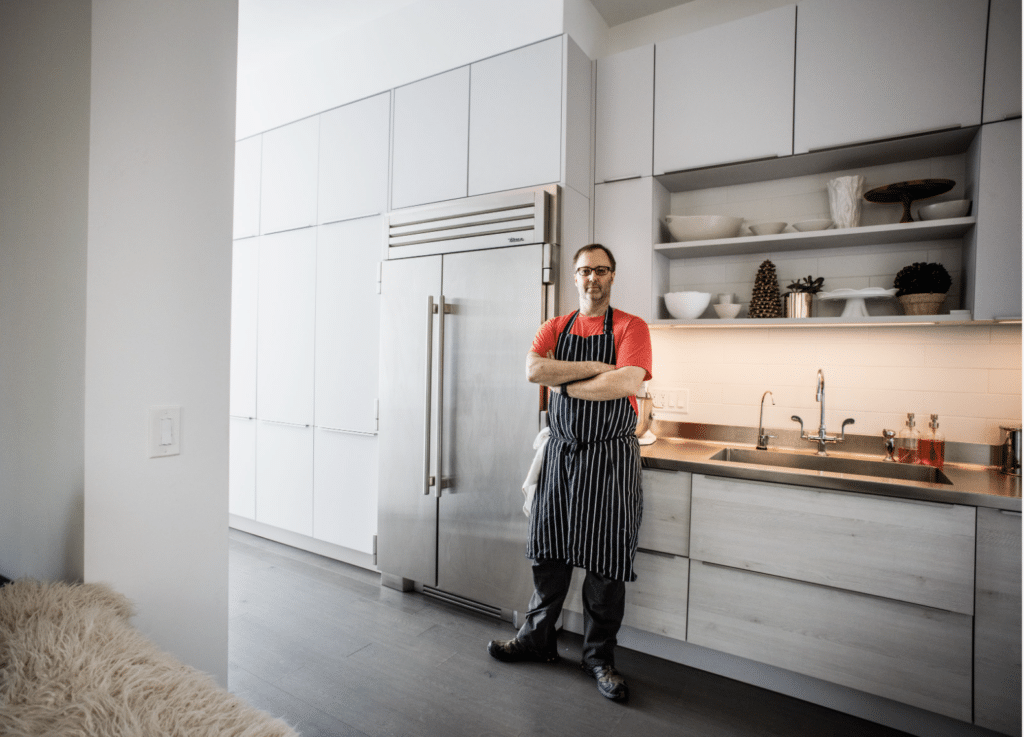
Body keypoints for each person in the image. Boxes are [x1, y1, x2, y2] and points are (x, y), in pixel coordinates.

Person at [487, 243, 652, 702]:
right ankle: (536, 640)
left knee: (606, 563)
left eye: (600, 270)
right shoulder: (555, 326)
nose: (591, 278)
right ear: (575, 277)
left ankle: (599, 658)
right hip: (561, 455)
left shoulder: (631, 326)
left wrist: (567, 380)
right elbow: (533, 369)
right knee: (549, 553)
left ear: (613, 276)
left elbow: (629, 380)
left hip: (610, 458)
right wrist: (593, 370)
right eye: (584, 271)